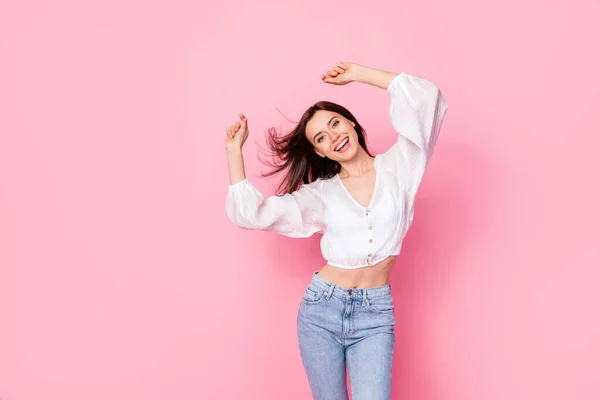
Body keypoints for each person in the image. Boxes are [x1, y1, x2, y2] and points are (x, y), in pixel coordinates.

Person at [224, 61, 448, 400]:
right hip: (321, 311)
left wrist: (359, 74)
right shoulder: (321, 194)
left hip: (375, 315)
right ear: (319, 151)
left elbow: (427, 99)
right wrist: (233, 153)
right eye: (322, 137)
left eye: (336, 124)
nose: (334, 137)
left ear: (352, 124)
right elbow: (253, 215)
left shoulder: (399, 167)